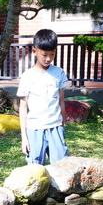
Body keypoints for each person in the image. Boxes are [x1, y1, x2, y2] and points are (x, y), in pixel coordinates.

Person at [18, 29, 70, 165]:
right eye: (44, 54)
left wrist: (62, 126)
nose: (48, 58)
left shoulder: (59, 73)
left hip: (55, 127)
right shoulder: (27, 76)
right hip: (34, 129)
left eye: (52, 54)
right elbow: (23, 107)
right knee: (35, 169)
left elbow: (61, 101)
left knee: (61, 166)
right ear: (34, 51)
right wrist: (24, 138)